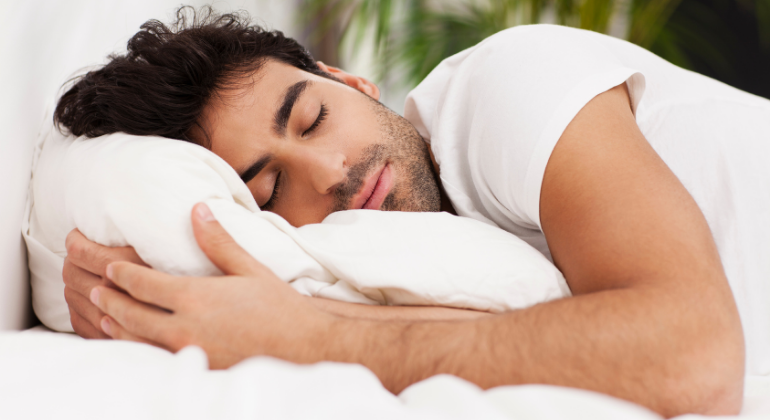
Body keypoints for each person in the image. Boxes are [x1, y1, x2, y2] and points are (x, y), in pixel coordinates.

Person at [59, 6, 770, 417]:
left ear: (352, 80)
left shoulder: (507, 88)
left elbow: (694, 356)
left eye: (311, 118)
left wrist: (311, 339)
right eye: (271, 194)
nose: (332, 173)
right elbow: (549, 336)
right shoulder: (437, 267)